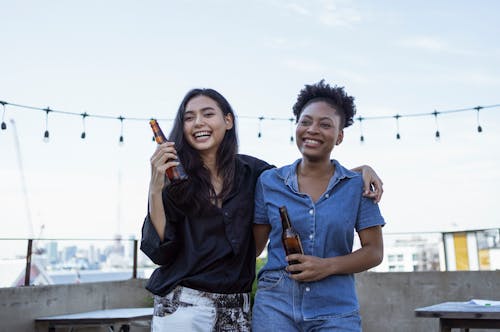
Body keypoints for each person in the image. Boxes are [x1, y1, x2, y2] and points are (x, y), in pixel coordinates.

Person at [140, 87, 383, 332]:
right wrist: (154, 187)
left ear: (228, 120)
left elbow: (312, 176)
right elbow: (160, 251)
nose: (198, 122)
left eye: (207, 114)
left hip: (235, 309)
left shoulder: (255, 173)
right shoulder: (176, 180)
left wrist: (358, 172)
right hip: (185, 306)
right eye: (189, 117)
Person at [252, 80, 385, 332]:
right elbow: (254, 248)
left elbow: (374, 252)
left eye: (325, 124)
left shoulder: (357, 186)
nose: (312, 129)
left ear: (340, 136)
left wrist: (327, 266)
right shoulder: (269, 182)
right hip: (275, 305)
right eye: (305, 121)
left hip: (336, 308)